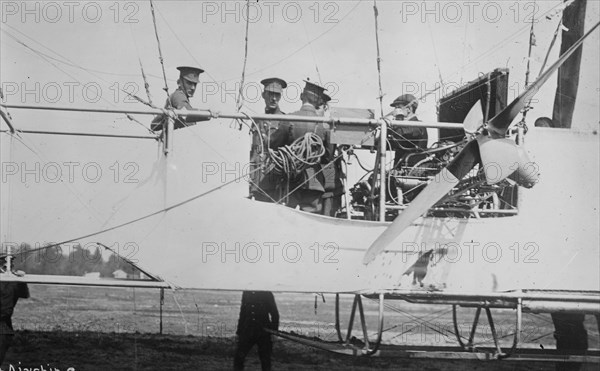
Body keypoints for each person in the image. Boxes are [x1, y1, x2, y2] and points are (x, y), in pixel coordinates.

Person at [269, 80, 329, 213]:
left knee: (286, 218)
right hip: (314, 181)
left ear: (302, 96)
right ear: (319, 101)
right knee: (312, 222)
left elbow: (274, 144)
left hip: (291, 180)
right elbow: (327, 157)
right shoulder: (325, 127)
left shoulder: (289, 119)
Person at [249, 78, 288, 202]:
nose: (274, 98)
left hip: (276, 178)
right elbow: (254, 152)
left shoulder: (285, 120)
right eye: (270, 94)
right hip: (258, 179)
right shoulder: (257, 120)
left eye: (277, 95)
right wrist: (251, 180)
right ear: (263, 95)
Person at [151, 66, 211, 131]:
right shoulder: (178, 95)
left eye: (195, 84)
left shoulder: (181, 96)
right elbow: (186, 113)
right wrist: (209, 114)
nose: (193, 88)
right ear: (179, 82)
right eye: (189, 83)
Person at [233, 291, 279, 371]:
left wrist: (274, 332)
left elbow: (275, 314)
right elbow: (243, 313)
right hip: (247, 331)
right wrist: (239, 332)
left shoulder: (267, 293)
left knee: (265, 360)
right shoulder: (246, 292)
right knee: (238, 357)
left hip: (263, 332)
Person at [318, 93, 345, 217]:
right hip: (326, 184)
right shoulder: (327, 128)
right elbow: (329, 155)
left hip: (325, 185)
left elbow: (328, 156)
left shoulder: (325, 128)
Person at [386, 94, 428, 167]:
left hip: (413, 172)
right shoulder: (403, 126)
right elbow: (387, 143)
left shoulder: (417, 126)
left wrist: (397, 119)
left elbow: (399, 136)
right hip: (400, 170)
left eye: (398, 108)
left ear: (408, 109)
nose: (395, 111)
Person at [0, 260, 30, 365]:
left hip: (3, 327)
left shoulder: (13, 280)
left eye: (11, 263)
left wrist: (21, 280)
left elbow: (25, 294)